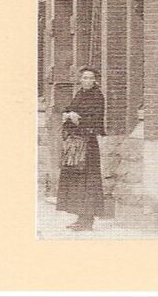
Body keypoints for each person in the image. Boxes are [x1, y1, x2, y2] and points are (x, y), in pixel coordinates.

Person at [56, 66, 106, 231]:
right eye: (85, 78)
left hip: (88, 144)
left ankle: (87, 220)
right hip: (76, 143)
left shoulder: (97, 96)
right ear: (80, 80)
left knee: (88, 180)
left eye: (91, 78)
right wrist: (68, 114)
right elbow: (69, 109)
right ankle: (80, 217)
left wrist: (77, 119)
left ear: (95, 80)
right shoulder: (79, 94)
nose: (88, 81)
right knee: (76, 180)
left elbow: (96, 120)